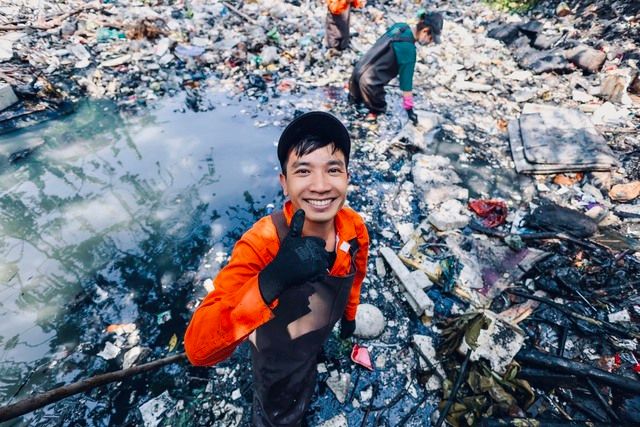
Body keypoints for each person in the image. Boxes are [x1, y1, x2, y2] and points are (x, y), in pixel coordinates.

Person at [184, 111, 370, 427]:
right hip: (276, 359)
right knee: (277, 412)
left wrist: (350, 318)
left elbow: (357, 276)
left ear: (347, 177)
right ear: (284, 183)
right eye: (303, 171)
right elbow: (197, 349)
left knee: (307, 375)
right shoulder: (262, 243)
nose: (321, 185)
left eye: (333, 169)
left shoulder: (353, 228)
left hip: (314, 341)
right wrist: (272, 279)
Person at [349, 11, 444, 124]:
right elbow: (406, 84)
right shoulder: (408, 50)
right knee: (378, 110)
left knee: (353, 109)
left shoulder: (399, 27)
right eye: (431, 38)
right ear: (425, 31)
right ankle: (374, 115)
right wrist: (409, 110)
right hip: (369, 85)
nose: (431, 42)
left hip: (356, 74)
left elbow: (388, 37)